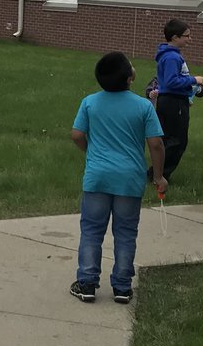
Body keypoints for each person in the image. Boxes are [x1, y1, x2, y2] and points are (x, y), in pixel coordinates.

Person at [70, 51, 167, 305]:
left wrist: (91, 153)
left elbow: (77, 135)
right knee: (125, 233)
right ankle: (122, 287)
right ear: (129, 78)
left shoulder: (90, 102)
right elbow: (156, 144)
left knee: (91, 230)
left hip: (97, 177)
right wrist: (158, 176)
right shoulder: (144, 106)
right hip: (129, 179)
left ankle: (87, 283)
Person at [152, 19, 203, 184]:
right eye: (186, 36)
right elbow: (170, 82)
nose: (190, 39)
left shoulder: (173, 56)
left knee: (170, 140)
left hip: (174, 100)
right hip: (173, 103)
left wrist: (191, 89)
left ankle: (156, 174)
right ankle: (159, 176)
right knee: (177, 141)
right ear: (175, 37)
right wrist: (193, 79)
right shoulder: (172, 58)